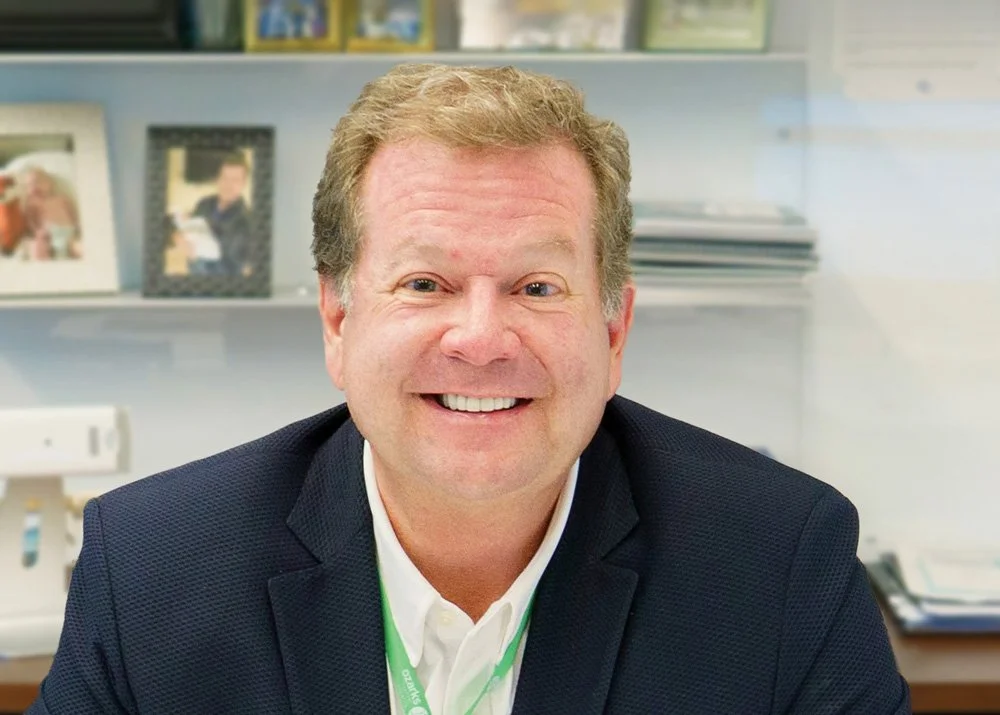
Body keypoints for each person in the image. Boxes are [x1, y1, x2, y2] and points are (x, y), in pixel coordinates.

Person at [28, 64, 911, 714]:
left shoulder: (778, 564)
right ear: (338, 320)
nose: (482, 340)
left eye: (537, 286)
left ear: (613, 331)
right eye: (424, 284)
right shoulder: (152, 569)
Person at [171, 151, 256, 278]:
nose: (228, 184)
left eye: (235, 180)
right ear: (218, 178)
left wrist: (195, 257)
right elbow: (189, 231)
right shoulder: (204, 204)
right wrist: (177, 235)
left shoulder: (246, 223)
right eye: (224, 177)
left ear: (243, 184)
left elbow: (228, 276)